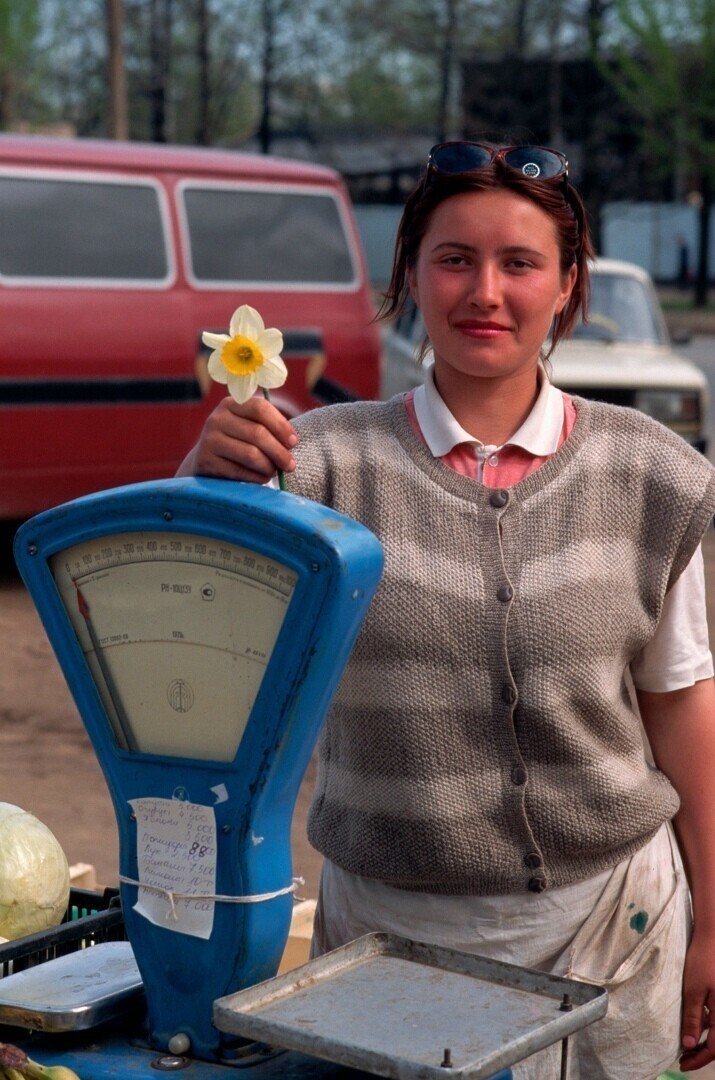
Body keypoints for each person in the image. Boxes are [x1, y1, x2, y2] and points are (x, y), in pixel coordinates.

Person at [177, 141, 715, 1078]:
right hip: (384, 937)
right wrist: (205, 477)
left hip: (612, 924)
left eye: (520, 263)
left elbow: (679, 700)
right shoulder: (312, 465)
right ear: (411, 275)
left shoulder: (651, 474)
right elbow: (190, 631)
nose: (486, 292)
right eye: (455, 259)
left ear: (566, 285)